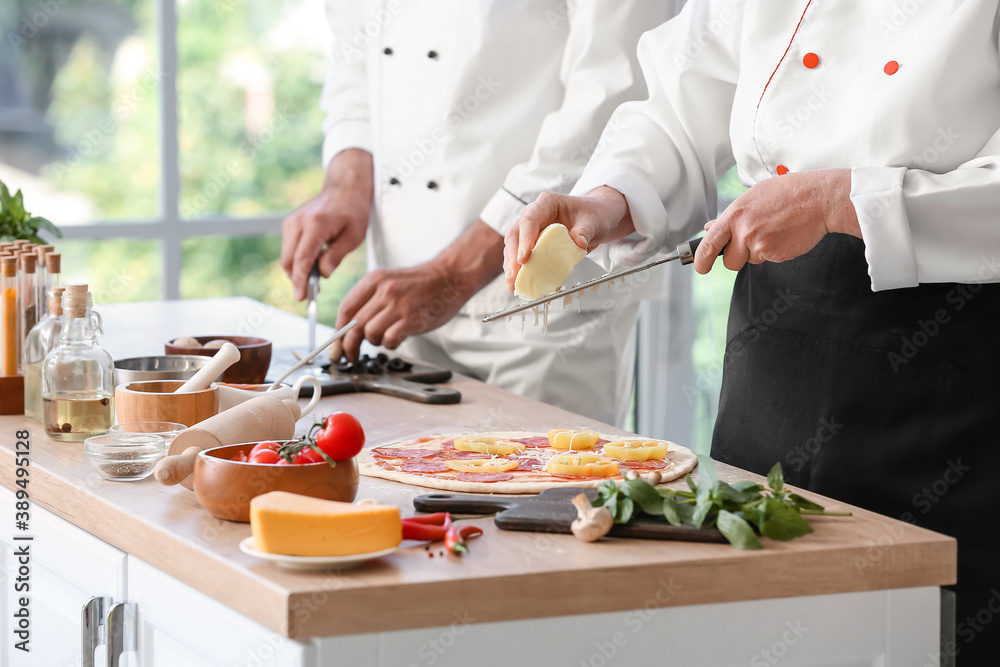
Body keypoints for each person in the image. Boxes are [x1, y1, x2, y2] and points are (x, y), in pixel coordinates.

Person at [503, 1, 1000, 662]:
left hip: (949, 358)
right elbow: (679, 102)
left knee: (924, 627)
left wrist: (841, 199)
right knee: (761, 617)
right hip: (774, 356)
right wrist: (605, 197)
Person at [280, 1, 683, 427]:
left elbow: (612, 96)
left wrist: (455, 271)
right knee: (399, 479)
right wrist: (348, 180)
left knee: (543, 485)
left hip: (546, 306)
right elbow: (354, 49)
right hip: (400, 292)